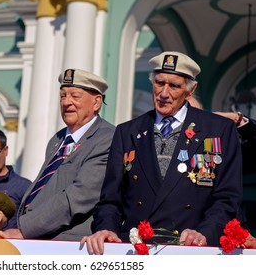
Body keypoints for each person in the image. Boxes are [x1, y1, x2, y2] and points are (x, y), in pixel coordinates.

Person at [81, 51, 243, 254]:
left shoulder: (217, 129)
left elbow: (227, 198)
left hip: (190, 250)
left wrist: (204, 234)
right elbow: (110, 200)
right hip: (134, 250)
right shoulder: (128, 131)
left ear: (190, 90)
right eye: (159, 83)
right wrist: (106, 229)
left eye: (174, 86)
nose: (164, 93)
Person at [0, 68, 115, 240]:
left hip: (69, 244)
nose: (67, 102)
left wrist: (25, 229)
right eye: (63, 96)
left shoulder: (107, 138)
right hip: (38, 235)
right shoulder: (57, 139)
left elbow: (79, 196)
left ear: (96, 103)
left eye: (75, 96)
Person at [189, 96, 256, 249]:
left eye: (195, 114)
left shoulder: (217, 148)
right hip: (179, 239)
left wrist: (236, 120)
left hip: (222, 241)